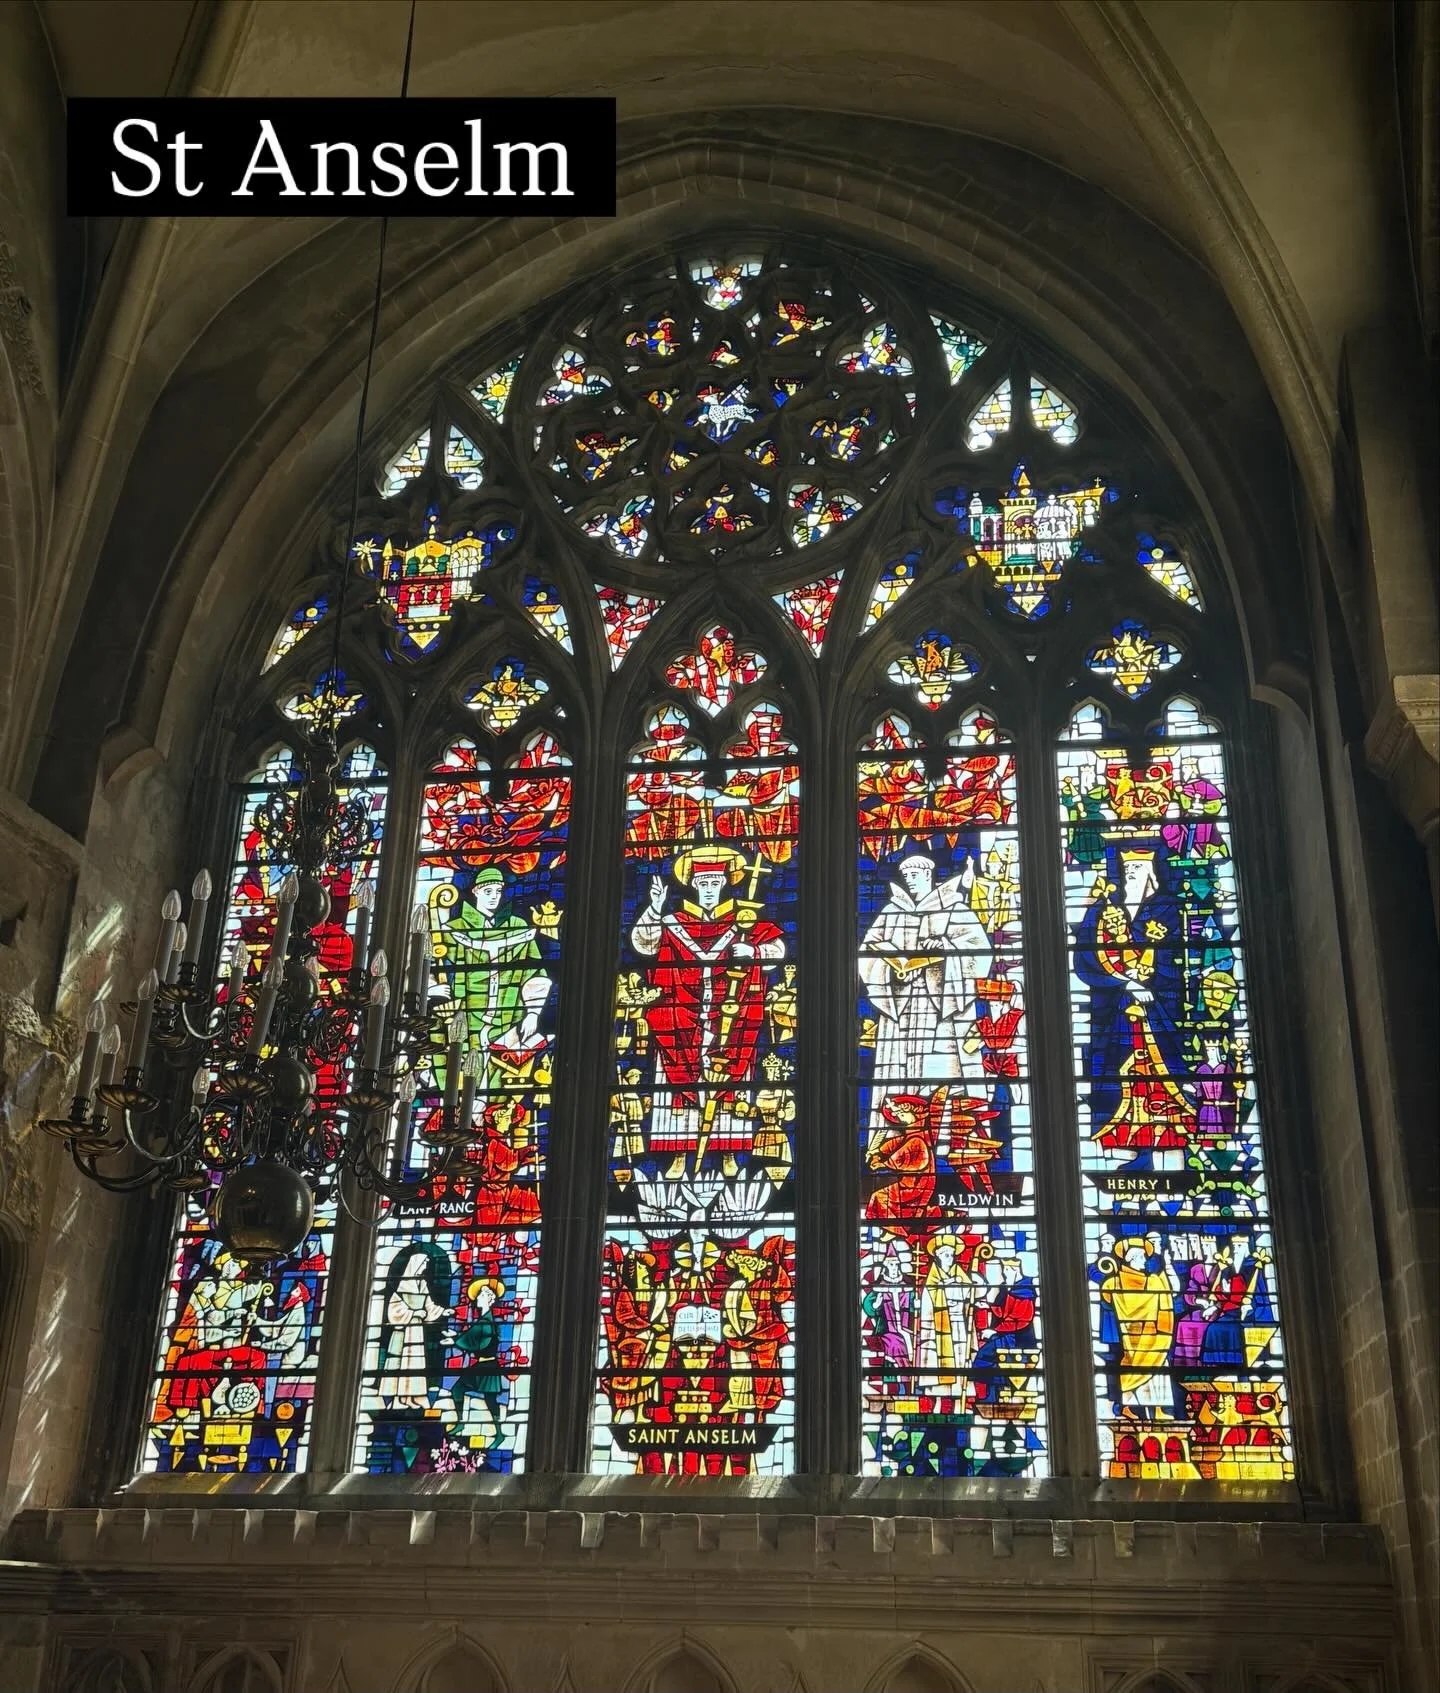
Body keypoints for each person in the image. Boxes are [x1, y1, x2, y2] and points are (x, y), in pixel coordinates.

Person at [631, 848, 786, 1178]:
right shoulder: (673, 924)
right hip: (680, 1019)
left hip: (730, 1017)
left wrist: (753, 951)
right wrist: (655, 909)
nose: (710, 887)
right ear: (693, 885)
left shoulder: (744, 923)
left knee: (731, 1080)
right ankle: (679, 1155)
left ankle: (729, 1151)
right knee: (676, 1082)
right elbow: (644, 945)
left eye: (716, 881)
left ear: (727, 884)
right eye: (704, 881)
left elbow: (777, 951)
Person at [859, 854, 992, 1134]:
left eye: (915, 876)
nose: (909, 881)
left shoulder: (954, 907)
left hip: (942, 1007)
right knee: (900, 1072)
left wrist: (944, 947)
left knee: (944, 1072)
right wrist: (893, 970)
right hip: (902, 1007)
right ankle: (897, 1136)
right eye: (906, 877)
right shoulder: (892, 911)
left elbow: (980, 954)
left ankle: (947, 1138)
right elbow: (868, 954)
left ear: (929, 876)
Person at [439, 866, 552, 1093]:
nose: (493, 897)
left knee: (502, 1077)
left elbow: (535, 971)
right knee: (464, 1071)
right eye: (488, 891)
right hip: (466, 1015)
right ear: (475, 892)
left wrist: (532, 1013)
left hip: (509, 1015)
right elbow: (435, 961)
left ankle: (490, 1117)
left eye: (497, 892)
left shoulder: (518, 927)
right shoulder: (455, 928)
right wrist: (434, 988)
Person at [376, 1241, 451, 1409]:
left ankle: (412, 1397)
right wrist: (413, 1314)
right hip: (403, 1332)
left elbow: (429, 1305)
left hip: (416, 1331)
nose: (425, 1267)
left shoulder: (422, 1284)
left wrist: (442, 1312)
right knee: (401, 1363)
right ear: (415, 1264)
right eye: (423, 1263)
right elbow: (394, 1309)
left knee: (415, 1364)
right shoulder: (403, 1284)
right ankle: (399, 1398)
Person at [449, 1278, 506, 1453]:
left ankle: (499, 1434)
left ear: (489, 1299)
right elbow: (471, 1336)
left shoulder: (487, 1321)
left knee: (490, 1401)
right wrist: (456, 1337)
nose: (478, 1298)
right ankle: (460, 1423)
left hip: (488, 1367)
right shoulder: (483, 1319)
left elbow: (480, 1343)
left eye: (481, 1295)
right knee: (457, 1389)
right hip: (480, 1366)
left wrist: (456, 1340)